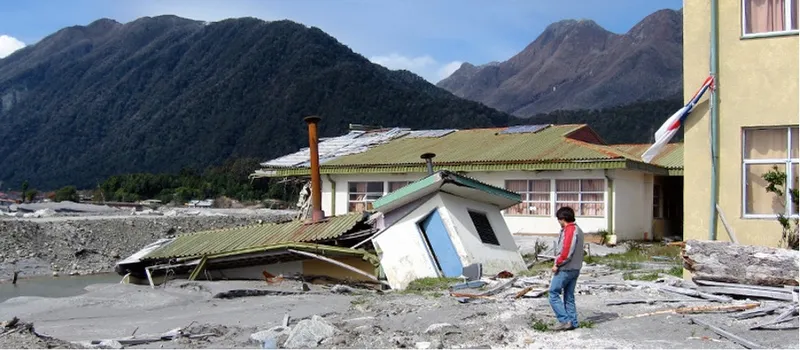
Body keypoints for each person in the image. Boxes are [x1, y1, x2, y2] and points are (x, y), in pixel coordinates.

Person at [548, 206, 585, 331]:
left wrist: (557, 264)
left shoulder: (570, 230)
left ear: (562, 218)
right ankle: (573, 322)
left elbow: (566, 251)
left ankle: (564, 320)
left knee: (553, 293)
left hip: (566, 268)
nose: (558, 222)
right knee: (569, 296)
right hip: (576, 267)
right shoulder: (579, 230)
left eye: (559, 219)